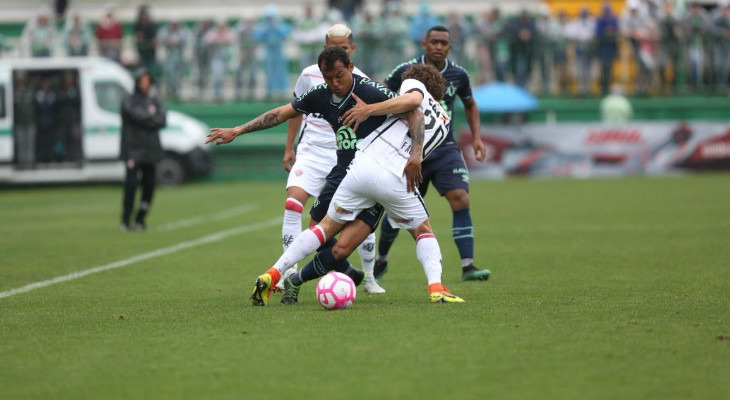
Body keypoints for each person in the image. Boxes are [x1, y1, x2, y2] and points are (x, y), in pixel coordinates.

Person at [250, 63, 466, 305]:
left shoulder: (414, 85)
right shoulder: (446, 122)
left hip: (363, 166)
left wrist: (369, 110)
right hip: (394, 177)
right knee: (423, 231)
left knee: (327, 231)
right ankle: (436, 288)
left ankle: (278, 274)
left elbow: (413, 101)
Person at [205, 46, 397, 304]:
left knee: (416, 226)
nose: (334, 83)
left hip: (375, 174)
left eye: (339, 75)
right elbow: (281, 114)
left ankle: (433, 286)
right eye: (328, 78)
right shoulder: (320, 94)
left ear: (350, 67)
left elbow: (410, 106)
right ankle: (287, 276)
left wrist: (413, 154)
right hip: (343, 174)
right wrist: (238, 130)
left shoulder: (370, 90)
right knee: (320, 234)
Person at [375, 25, 490, 282]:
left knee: (460, 198)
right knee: (398, 212)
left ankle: (468, 266)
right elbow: (381, 93)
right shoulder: (405, 71)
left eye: (444, 43)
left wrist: (478, 138)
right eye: (434, 42)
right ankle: (381, 260)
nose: (439, 46)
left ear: (449, 47)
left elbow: (470, 104)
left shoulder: (459, 74)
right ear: (424, 44)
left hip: (445, 147)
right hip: (412, 149)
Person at [280, 24, 384, 296]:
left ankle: (369, 276)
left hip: (347, 153)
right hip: (312, 149)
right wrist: (289, 146)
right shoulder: (309, 75)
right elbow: (294, 110)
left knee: (357, 216)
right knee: (294, 205)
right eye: (330, 46)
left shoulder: (361, 81)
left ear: (352, 51)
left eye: (343, 47)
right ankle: (287, 272)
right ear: (324, 46)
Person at [120, 70, 166, 232]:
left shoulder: (154, 100)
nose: (145, 84)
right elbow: (134, 115)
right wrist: (150, 118)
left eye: (148, 80)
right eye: (142, 80)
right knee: (131, 186)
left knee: (149, 186)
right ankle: (126, 220)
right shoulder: (129, 100)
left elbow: (162, 120)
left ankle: (141, 218)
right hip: (133, 149)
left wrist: (147, 119)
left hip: (151, 150)